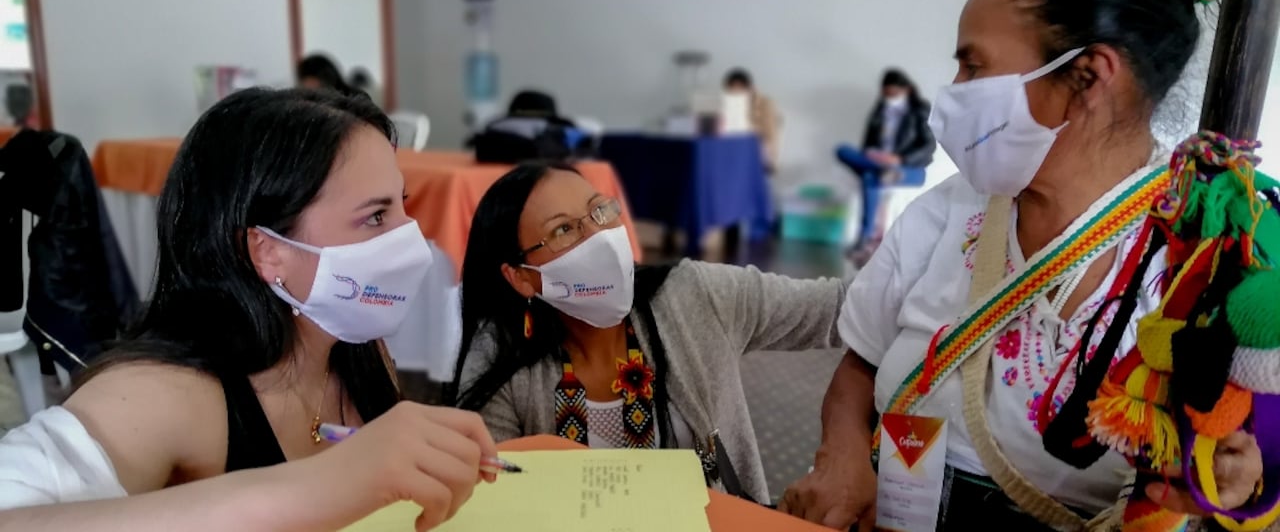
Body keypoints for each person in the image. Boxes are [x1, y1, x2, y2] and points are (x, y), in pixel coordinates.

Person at [780, 0, 1264, 530]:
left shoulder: (1198, 255)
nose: (953, 94)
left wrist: (1240, 488)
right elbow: (861, 365)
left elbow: (1247, 464)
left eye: (973, 65)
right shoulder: (944, 214)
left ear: (1089, 76)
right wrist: (844, 456)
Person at [0, 88, 497, 531]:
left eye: (401, 206)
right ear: (267, 251)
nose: (408, 239)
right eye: (374, 217)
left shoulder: (355, 349)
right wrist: (314, 488)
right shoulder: (163, 392)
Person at [454, 162, 845, 503]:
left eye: (599, 211)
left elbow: (843, 307)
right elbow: (494, 500)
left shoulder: (693, 294)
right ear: (521, 277)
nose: (599, 236)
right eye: (563, 230)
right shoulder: (499, 357)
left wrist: (850, 441)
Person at [834, 69, 935, 260]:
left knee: (869, 177)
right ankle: (883, 171)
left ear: (907, 90)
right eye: (887, 94)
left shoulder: (920, 110)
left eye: (894, 94)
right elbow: (866, 144)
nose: (890, 98)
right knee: (842, 150)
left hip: (910, 169)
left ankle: (864, 238)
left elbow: (928, 147)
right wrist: (873, 155)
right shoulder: (879, 111)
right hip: (879, 165)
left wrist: (899, 160)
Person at [723, 69, 781, 173]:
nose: (736, 94)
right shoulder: (725, 103)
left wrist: (745, 126)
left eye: (740, 90)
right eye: (732, 91)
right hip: (733, 149)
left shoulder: (765, 103)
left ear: (749, 88)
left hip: (758, 152)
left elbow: (770, 134)